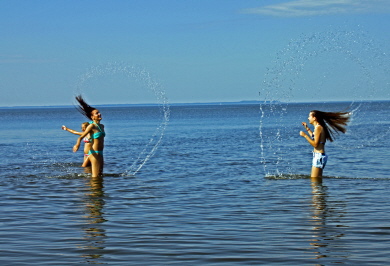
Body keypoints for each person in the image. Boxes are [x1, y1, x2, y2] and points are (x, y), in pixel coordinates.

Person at [300, 110, 350, 180]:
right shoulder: (319, 127)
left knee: (315, 181)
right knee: (317, 181)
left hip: (318, 157)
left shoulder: (318, 128)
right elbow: (315, 137)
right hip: (319, 156)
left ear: (314, 118)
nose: (308, 118)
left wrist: (305, 135)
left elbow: (315, 144)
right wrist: (307, 128)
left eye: (309, 116)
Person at [73, 95, 106, 178]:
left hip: (100, 153)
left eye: (99, 112)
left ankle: (97, 191)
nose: (99, 114)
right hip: (94, 153)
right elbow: (80, 137)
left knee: (100, 176)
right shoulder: (91, 126)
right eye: (97, 113)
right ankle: (92, 190)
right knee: (95, 177)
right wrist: (77, 144)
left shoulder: (102, 126)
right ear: (92, 117)